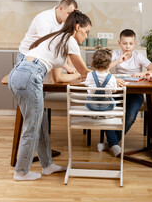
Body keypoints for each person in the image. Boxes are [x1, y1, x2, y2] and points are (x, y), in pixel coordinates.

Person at [8, 10, 92, 181]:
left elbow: (59, 76)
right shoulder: (70, 40)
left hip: (20, 74)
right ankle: (21, 172)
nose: (87, 36)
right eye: (87, 31)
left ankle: (47, 165)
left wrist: (75, 73)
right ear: (77, 27)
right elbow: (85, 73)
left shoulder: (57, 38)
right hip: (29, 77)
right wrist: (111, 77)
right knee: (32, 126)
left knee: (40, 124)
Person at [99, 29, 152, 157]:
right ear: (119, 43)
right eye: (124, 43)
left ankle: (112, 142)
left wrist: (143, 73)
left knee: (131, 115)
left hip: (135, 92)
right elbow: (102, 69)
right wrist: (118, 61)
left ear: (135, 44)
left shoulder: (138, 56)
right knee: (106, 111)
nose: (127, 47)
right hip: (117, 90)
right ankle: (114, 143)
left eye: (130, 44)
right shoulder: (116, 54)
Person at [17, 0, 78, 74]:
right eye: (69, 14)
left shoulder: (65, 21)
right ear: (61, 8)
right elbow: (43, 48)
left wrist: (70, 66)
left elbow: (66, 44)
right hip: (27, 56)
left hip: (44, 58)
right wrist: (66, 66)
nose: (71, 18)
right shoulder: (45, 20)